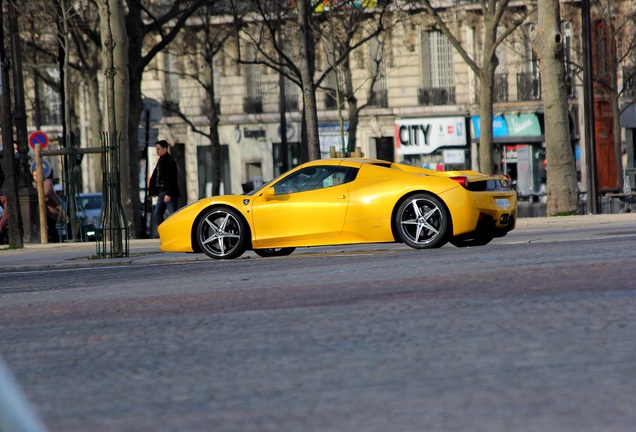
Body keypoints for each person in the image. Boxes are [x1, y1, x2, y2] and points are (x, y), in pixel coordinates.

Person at [149, 140, 180, 225]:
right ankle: (164, 232)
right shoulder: (161, 161)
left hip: (169, 193)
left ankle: (173, 233)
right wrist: (153, 191)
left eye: (159, 149)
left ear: (165, 149)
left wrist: (169, 194)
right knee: (157, 214)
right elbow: (155, 177)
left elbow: (171, 179)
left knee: (173, 215)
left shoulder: (170, 161)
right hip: (161, 192)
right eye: (156, 149)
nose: (157, 151)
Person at [32, 170, 62, 243]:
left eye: (37, 175)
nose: (35, 177)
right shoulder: (33, 184)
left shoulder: (47, 182)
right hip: (39, 210)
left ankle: (55, 241)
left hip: (51, 209)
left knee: (51, 226)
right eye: (34, 175)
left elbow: (46, 193)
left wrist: (37, 188)